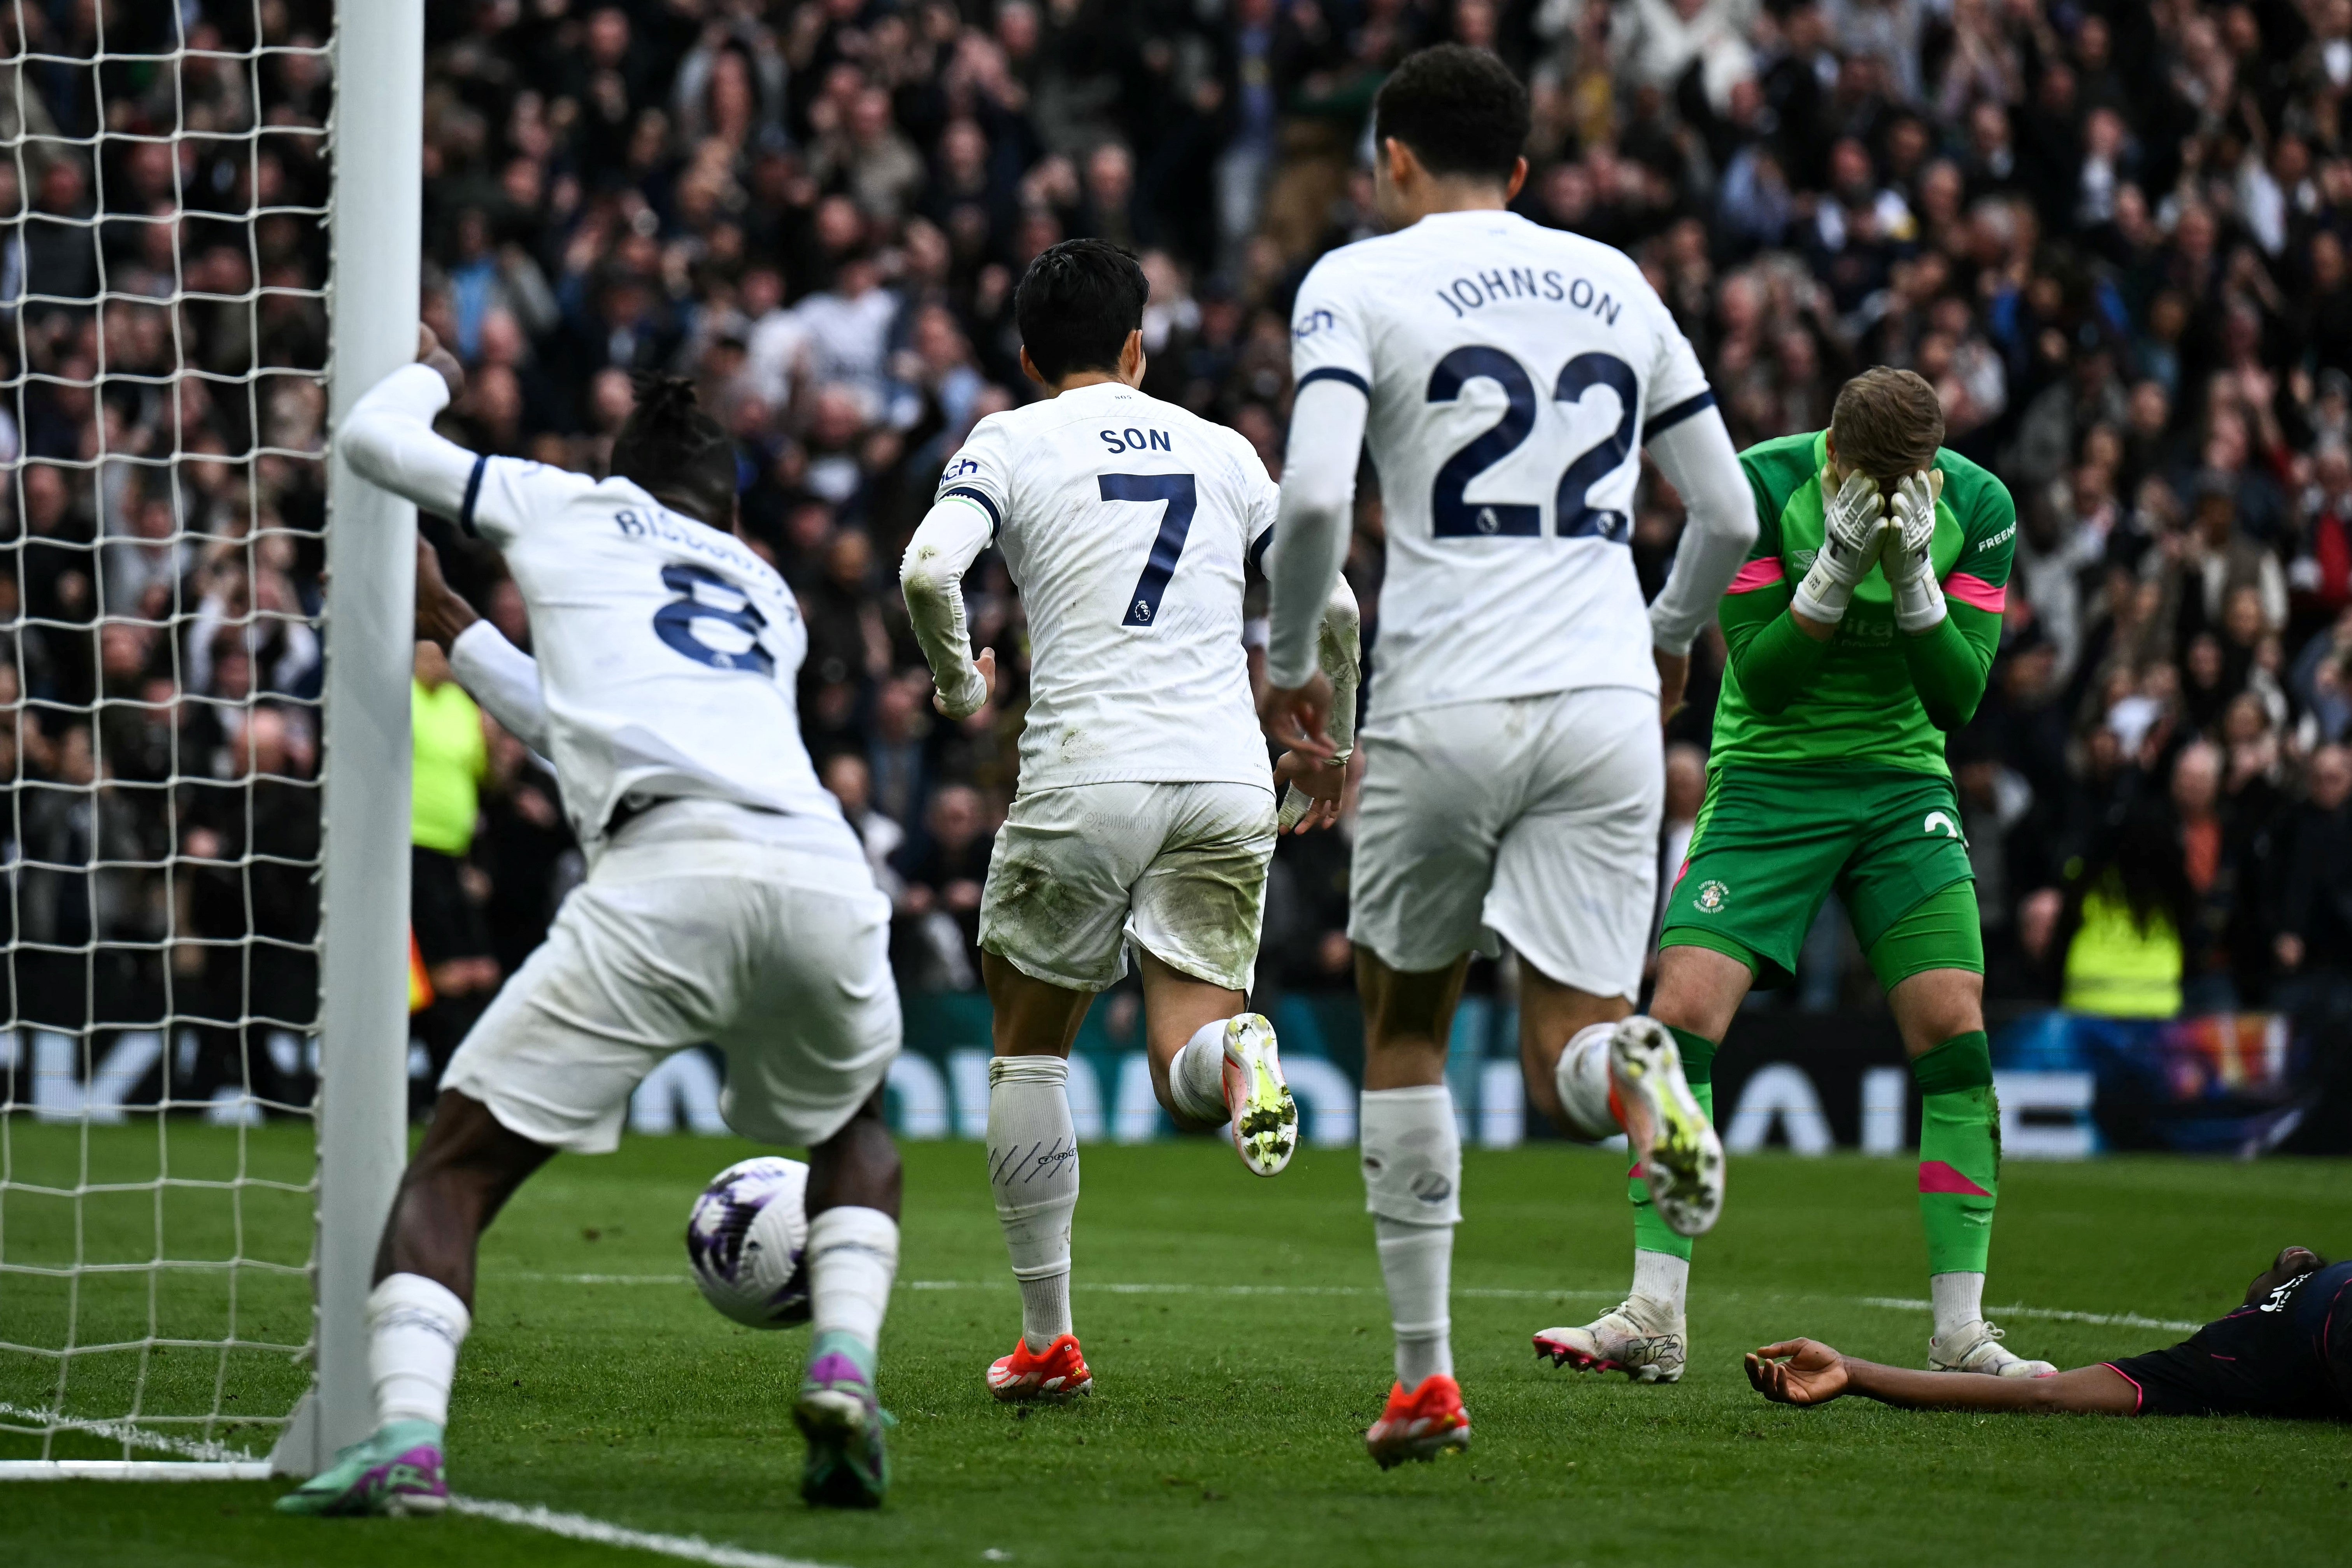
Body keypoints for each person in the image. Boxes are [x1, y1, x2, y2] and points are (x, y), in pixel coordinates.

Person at [278, 332, 905, 1515]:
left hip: (663, 872)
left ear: (622, 475)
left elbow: (370, 444)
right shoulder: (767, 593)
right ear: (726, 509)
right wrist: (458, 627)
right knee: (855, 1128)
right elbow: (604, 716)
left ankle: (406, 1438)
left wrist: (429, 373)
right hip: (820, 867)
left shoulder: (562, 503)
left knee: (457, 1164)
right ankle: (844, 1372)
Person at [1257, 46, 1761, 1468]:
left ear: (1392, 161)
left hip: (1442, 699)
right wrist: (1668, 638)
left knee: (1407, 1030)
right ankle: (1639, 1076)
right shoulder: (1616, 280)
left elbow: (1309, 502)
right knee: (1570, 1047)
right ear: (1525, 171)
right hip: (1604, 696)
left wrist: (1290, 663)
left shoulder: (1356, 280)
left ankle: (1424, 1378)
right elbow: (1720, 511)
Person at [899, 237, 1360, 1405]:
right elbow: (1336, 604)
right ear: (1137, 348)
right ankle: (1239, 1050)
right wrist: (1334, 739)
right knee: (1181, 1060)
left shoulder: (1007, 438)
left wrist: (959, 689)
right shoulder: (1223, 450)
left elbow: (923, 572)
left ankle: (1047, 1334)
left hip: (1083, 772)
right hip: (1221, 776)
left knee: (1029, 1038)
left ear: (1022, 354)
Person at [1545, 366, 2044, 1389]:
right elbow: (1763, 678)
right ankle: (1652, 1310)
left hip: (1902, 784)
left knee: (1953, 1027)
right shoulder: (1760, 487)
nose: (1903, 496)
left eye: (1916, 481)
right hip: (1768, 781)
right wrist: (1829, 571)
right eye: (1872, 477)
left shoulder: (1980, 504)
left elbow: (1956, 696)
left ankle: (1959, 1327)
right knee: (1677, 1018)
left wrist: (1910, 585)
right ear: (1833, 452)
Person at [1747, 1246, 2352, 1422]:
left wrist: (1855, 1371)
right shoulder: (2224, 1351)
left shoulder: (2222, 1351)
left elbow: (2044, 1393)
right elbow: (2043, 1394)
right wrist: (1852, 1370)